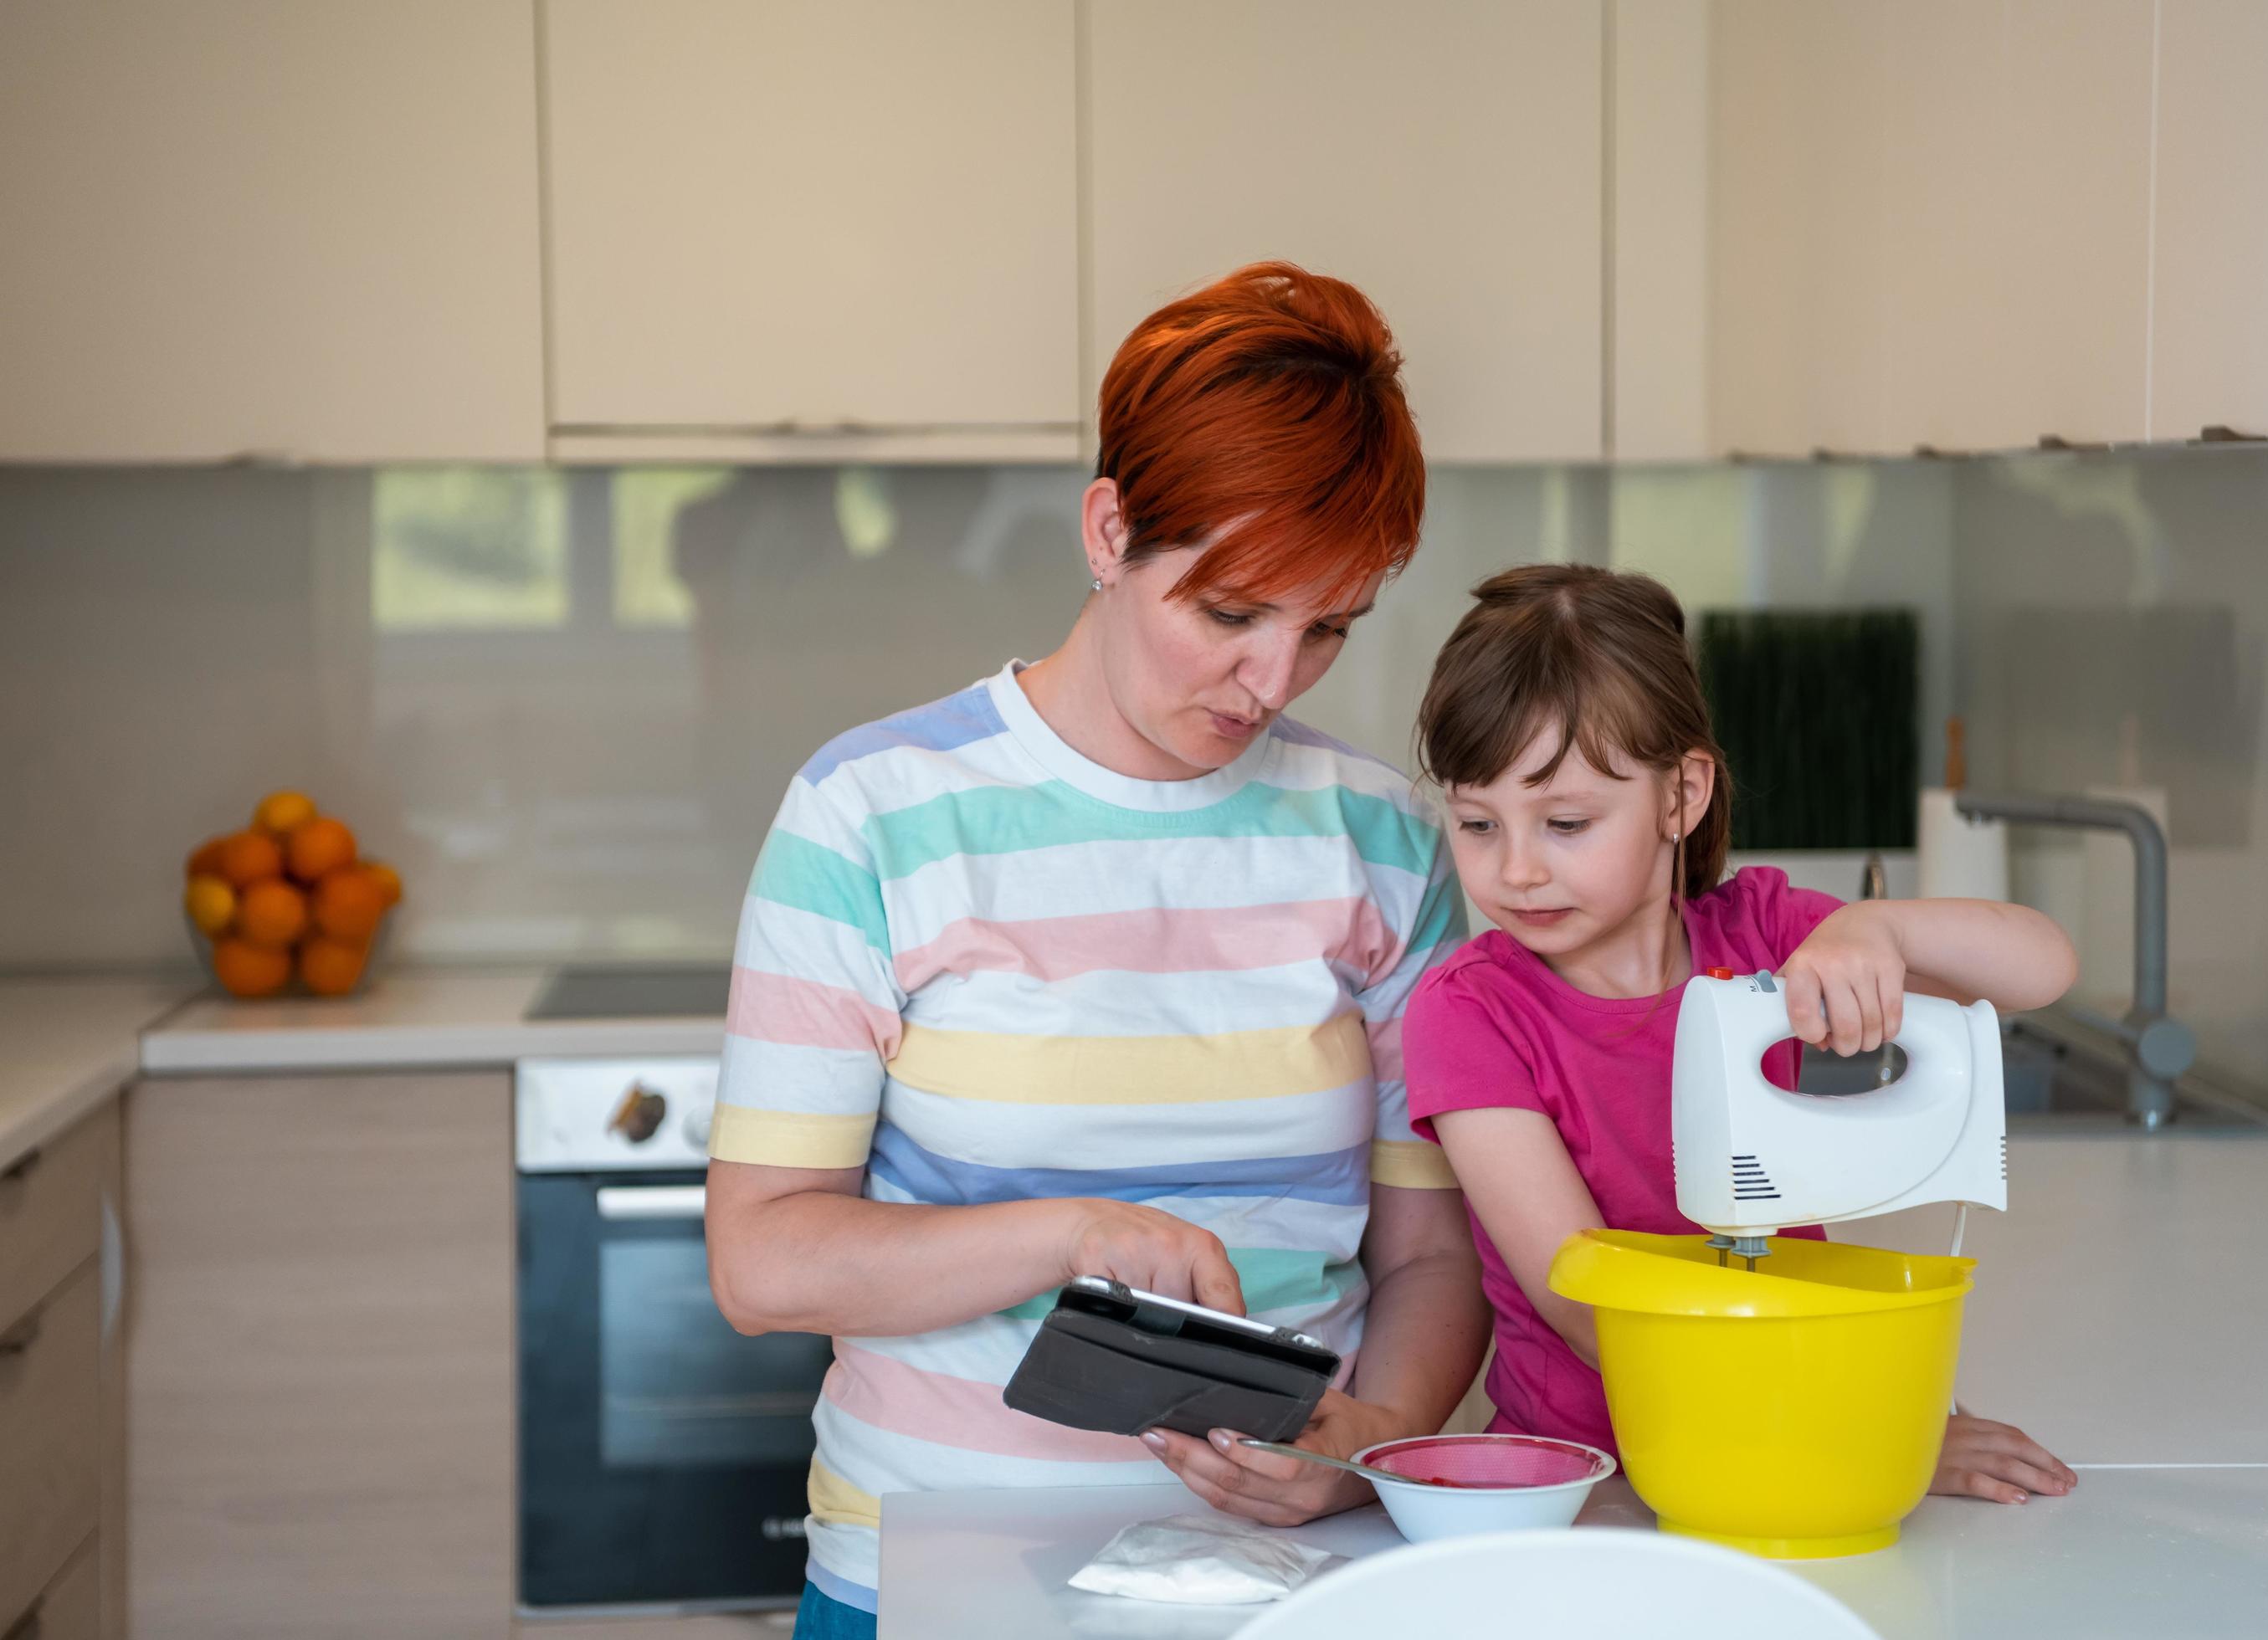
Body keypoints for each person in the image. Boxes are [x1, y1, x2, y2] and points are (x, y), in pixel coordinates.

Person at [704, 263, 1490, 1640]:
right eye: (1232, 612)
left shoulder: (1382, 841)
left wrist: (1369, 1439)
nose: (1272, 680)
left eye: (1328, 631)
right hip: (932, 1580)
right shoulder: (873, 816)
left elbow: (1433, 1259)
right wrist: (1073, 1236)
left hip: (1292, 1597)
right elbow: (765, 1262)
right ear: (1109, 530)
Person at [1404, 562, 2081, 1506]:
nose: (1515, 870)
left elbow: (2043, 967)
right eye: (1477, 822)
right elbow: (1582, 1299)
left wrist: (1881, 929)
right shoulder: (1469, 1010)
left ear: (1682, 794)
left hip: (1799, 1428)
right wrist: (1857, 1422)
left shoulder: (1763, 935)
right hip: (1590, 1481)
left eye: (1565, 822)